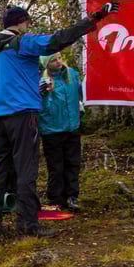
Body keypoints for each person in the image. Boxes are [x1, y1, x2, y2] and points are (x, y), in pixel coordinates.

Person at [0, 2, 114, 239]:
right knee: (26, 170)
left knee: (0, 170)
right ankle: (27, 226)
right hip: (23, 115)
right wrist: (92, 20)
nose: (29, 25)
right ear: (22, 22)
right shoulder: (22, 43)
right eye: (27, 21)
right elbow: (58, 40)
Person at [38, 53, 82, 212]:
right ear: (46, 64)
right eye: (53, 60)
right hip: (52, 129)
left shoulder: (73, 75)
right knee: (56, 166)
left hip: (72, 127)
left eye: (59, 58)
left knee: (73, 163)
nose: (58, 62)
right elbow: (36, 104)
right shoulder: (42, 81)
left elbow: (83, 94)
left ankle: (72, 196)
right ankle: (56, 198)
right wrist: (42, 92)